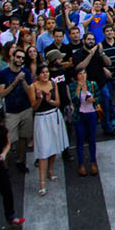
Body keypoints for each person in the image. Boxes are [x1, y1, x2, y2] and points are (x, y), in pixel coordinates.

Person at [28, 64, 69, 196]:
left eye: (47, 72)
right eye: (43, 72)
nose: (45, 74)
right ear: (38, 75)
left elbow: (58, 102)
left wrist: (49, 100)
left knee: (54, 146)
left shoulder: (53, 84)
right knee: (43, 150)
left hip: (54, 116)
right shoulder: (33, 87)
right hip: (41, 119)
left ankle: (50, 170)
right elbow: (34, 107)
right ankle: (42, 182)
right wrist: (40, 99)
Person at [0, 48, 33, 173]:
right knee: (9, 140)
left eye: (22, 58)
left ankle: (20, 160)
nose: (20, 60)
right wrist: (15, 81)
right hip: (11, 111)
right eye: (18, 57)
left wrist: (23, 81)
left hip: (25, 109)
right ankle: (5, 165)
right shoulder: (4, 74)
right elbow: (1, 94)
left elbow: (29, 92)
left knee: (23, 137)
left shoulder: (26, 72)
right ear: (12, 57)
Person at [68, 68, 99, 176]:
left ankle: (93, 162)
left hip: (91, 114)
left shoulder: (92, 84)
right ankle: (81, 164)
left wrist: (93, 99)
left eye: (84, 73)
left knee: (92, 139)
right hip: (79, 115)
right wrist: (78, 88)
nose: (82, 76)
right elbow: (74, 100)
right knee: (80, 139)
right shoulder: (72, 86)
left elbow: (98, 97)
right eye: (80, 74)